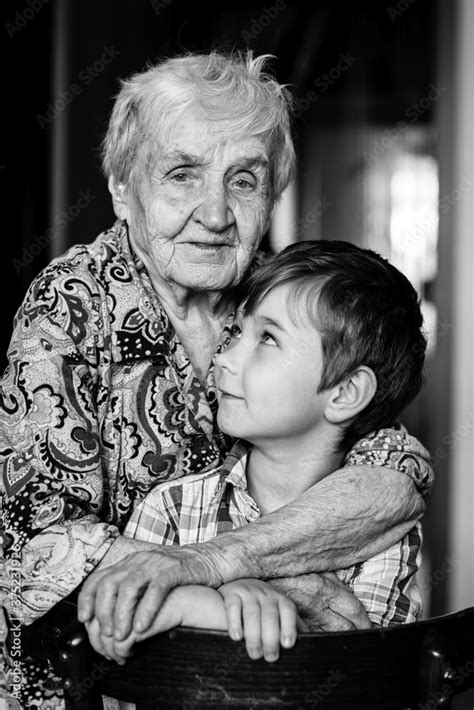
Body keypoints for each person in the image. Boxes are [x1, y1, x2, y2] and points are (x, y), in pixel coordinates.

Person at [0, 50, 432, 708]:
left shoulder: (280, 295)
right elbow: (35, 550)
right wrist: (283, 585)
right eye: (182, 173)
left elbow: (392, 478)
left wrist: (211, 561)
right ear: (121, 186)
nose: (216, 213)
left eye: (244, 181)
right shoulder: (69, 306)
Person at [84, 239, 427, 667]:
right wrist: (228, 601)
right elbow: (117, 629)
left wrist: (209, 602)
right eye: (236, 332)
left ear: (345, 392)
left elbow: (367, 674)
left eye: (267, 338)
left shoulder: (382, 536)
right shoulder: (171, 507)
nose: (224, 357)